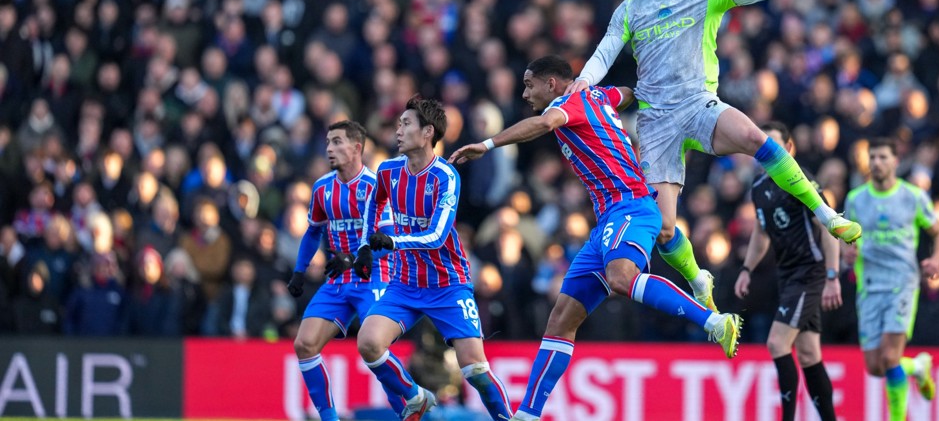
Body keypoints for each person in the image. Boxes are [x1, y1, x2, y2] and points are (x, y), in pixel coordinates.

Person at [565, 0, 862, 308]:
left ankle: (825, 214)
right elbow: (605, 53)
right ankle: (697, 277)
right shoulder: (630, 8)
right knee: (664, 228)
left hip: (698, 104)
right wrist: (584, 80)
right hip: (657, 123)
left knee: (757, 138)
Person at [449, 56, 741, 421]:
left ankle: (714, 322)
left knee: (622, 277)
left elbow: (543, 124)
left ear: (552, 84)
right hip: (607, 221)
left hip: (631, 207)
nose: (525, 93)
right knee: (561, 320)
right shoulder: (597, 96)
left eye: (529, 85)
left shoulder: (563, 105)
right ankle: (528, 414)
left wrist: (488, 144)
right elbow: (627, 93)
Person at [352, 96, 513, 421]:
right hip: (405, 284)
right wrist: (364, 247)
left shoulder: (445, 176)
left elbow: (437, 236)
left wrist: (392, 240)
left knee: (476, 372)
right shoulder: (387, 170)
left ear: (427, 132)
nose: (398, 130)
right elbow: (374, 206)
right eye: (398, 124)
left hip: (448, 285)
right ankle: (415, 397)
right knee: (368, 343)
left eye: (406, 123)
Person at [285, 120, 404, 421]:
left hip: (374, 275)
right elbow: (313, 232)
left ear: (357, 148)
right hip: (339, 278)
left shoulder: (376, 188)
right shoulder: (322, 188)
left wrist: (353, 258)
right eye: (327, 142)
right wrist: (300, 270)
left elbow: (388, 239)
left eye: (337, 142)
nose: (329, 148)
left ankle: (407, 408)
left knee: (372, 346)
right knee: (304, 344)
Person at [734, 122, 841, 421]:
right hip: (787, 274)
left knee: (776, 343)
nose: (767, 152)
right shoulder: (758, 188)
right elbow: (762, 233)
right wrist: (746, 269)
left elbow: (827, 224)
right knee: (808, 353)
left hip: (810, 272)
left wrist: (832, 276)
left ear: (789, 149)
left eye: (775, 145)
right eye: (763, 146)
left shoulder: (802, 180)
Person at [844, 137, 939, 420]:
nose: (876, 163)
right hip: (869, 286)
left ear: (895, 162)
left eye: (882, 157)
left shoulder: (913, 196)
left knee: (890, 357)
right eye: (872, 157)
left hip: (902, 284)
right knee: (876, 367)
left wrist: (936, 260)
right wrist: (847, 254)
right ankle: (917, 367)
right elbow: (844, 240)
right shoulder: (855, 199)